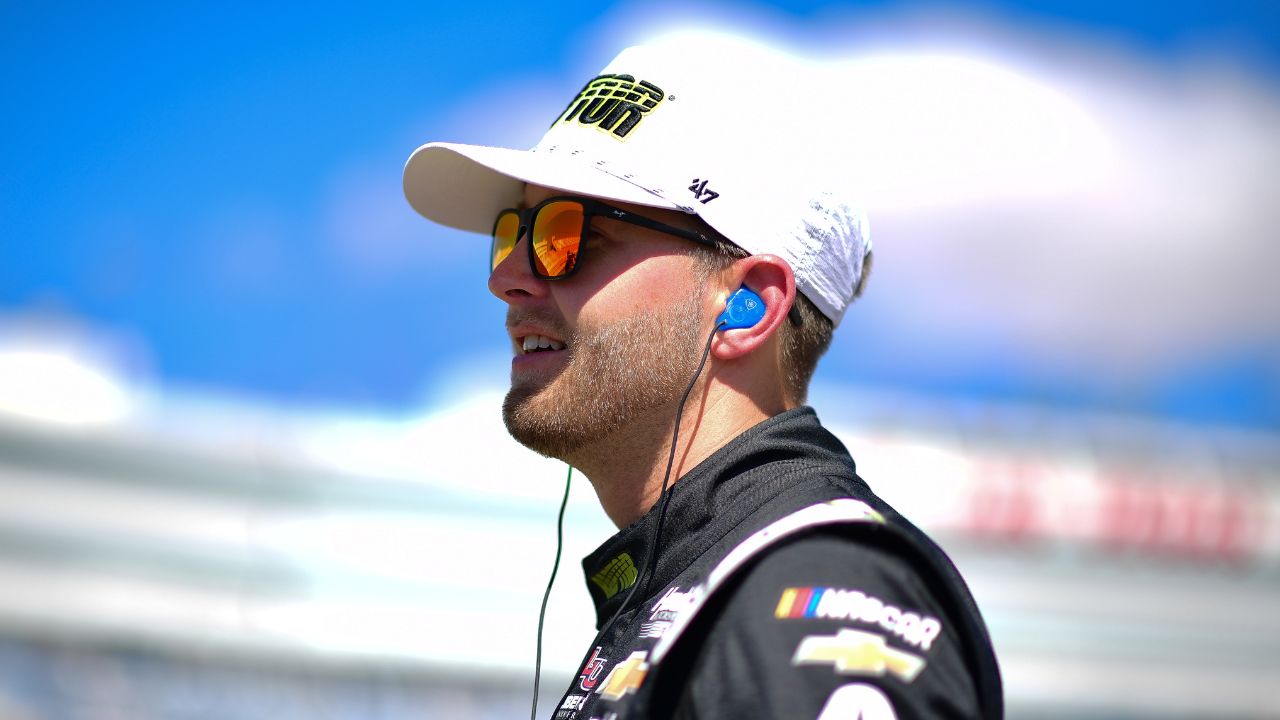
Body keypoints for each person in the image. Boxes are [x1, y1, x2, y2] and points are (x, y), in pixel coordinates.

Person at [403, 38, 1002, 720]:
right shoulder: (705, 588)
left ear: (747, 306)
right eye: (514, 234)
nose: (506, 277)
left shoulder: (811, 590)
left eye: (569, 236)